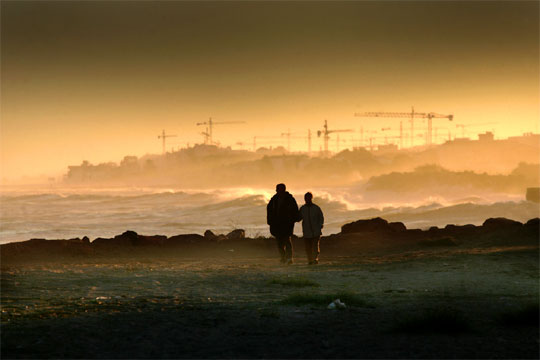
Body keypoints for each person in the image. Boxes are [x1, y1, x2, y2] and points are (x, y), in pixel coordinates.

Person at [266, 183, 300, 264]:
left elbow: (295, 210)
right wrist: (270, 222)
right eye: (277, 189)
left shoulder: (290, 199)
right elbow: (269, 211)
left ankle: (289, 258)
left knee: (287, 240)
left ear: (283, 189)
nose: (278, 190)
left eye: (279, 189)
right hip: (276, 224)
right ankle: (283, 257)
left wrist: (293, 220)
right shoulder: (274, 199)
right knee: (279, 242)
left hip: (287, 224)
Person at [298, 192, 324, 265]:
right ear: (304, 199)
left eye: (309, 198)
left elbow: (321, 217)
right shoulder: (302, 208)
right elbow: (299, 218)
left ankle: (315, 259)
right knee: (308, 247)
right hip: (306, 231)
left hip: (316, 230)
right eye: (306, 198)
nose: (307, 199)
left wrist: (320, 225)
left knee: (315, 246)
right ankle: (310, 260)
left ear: (311, 198)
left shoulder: (316, 208)